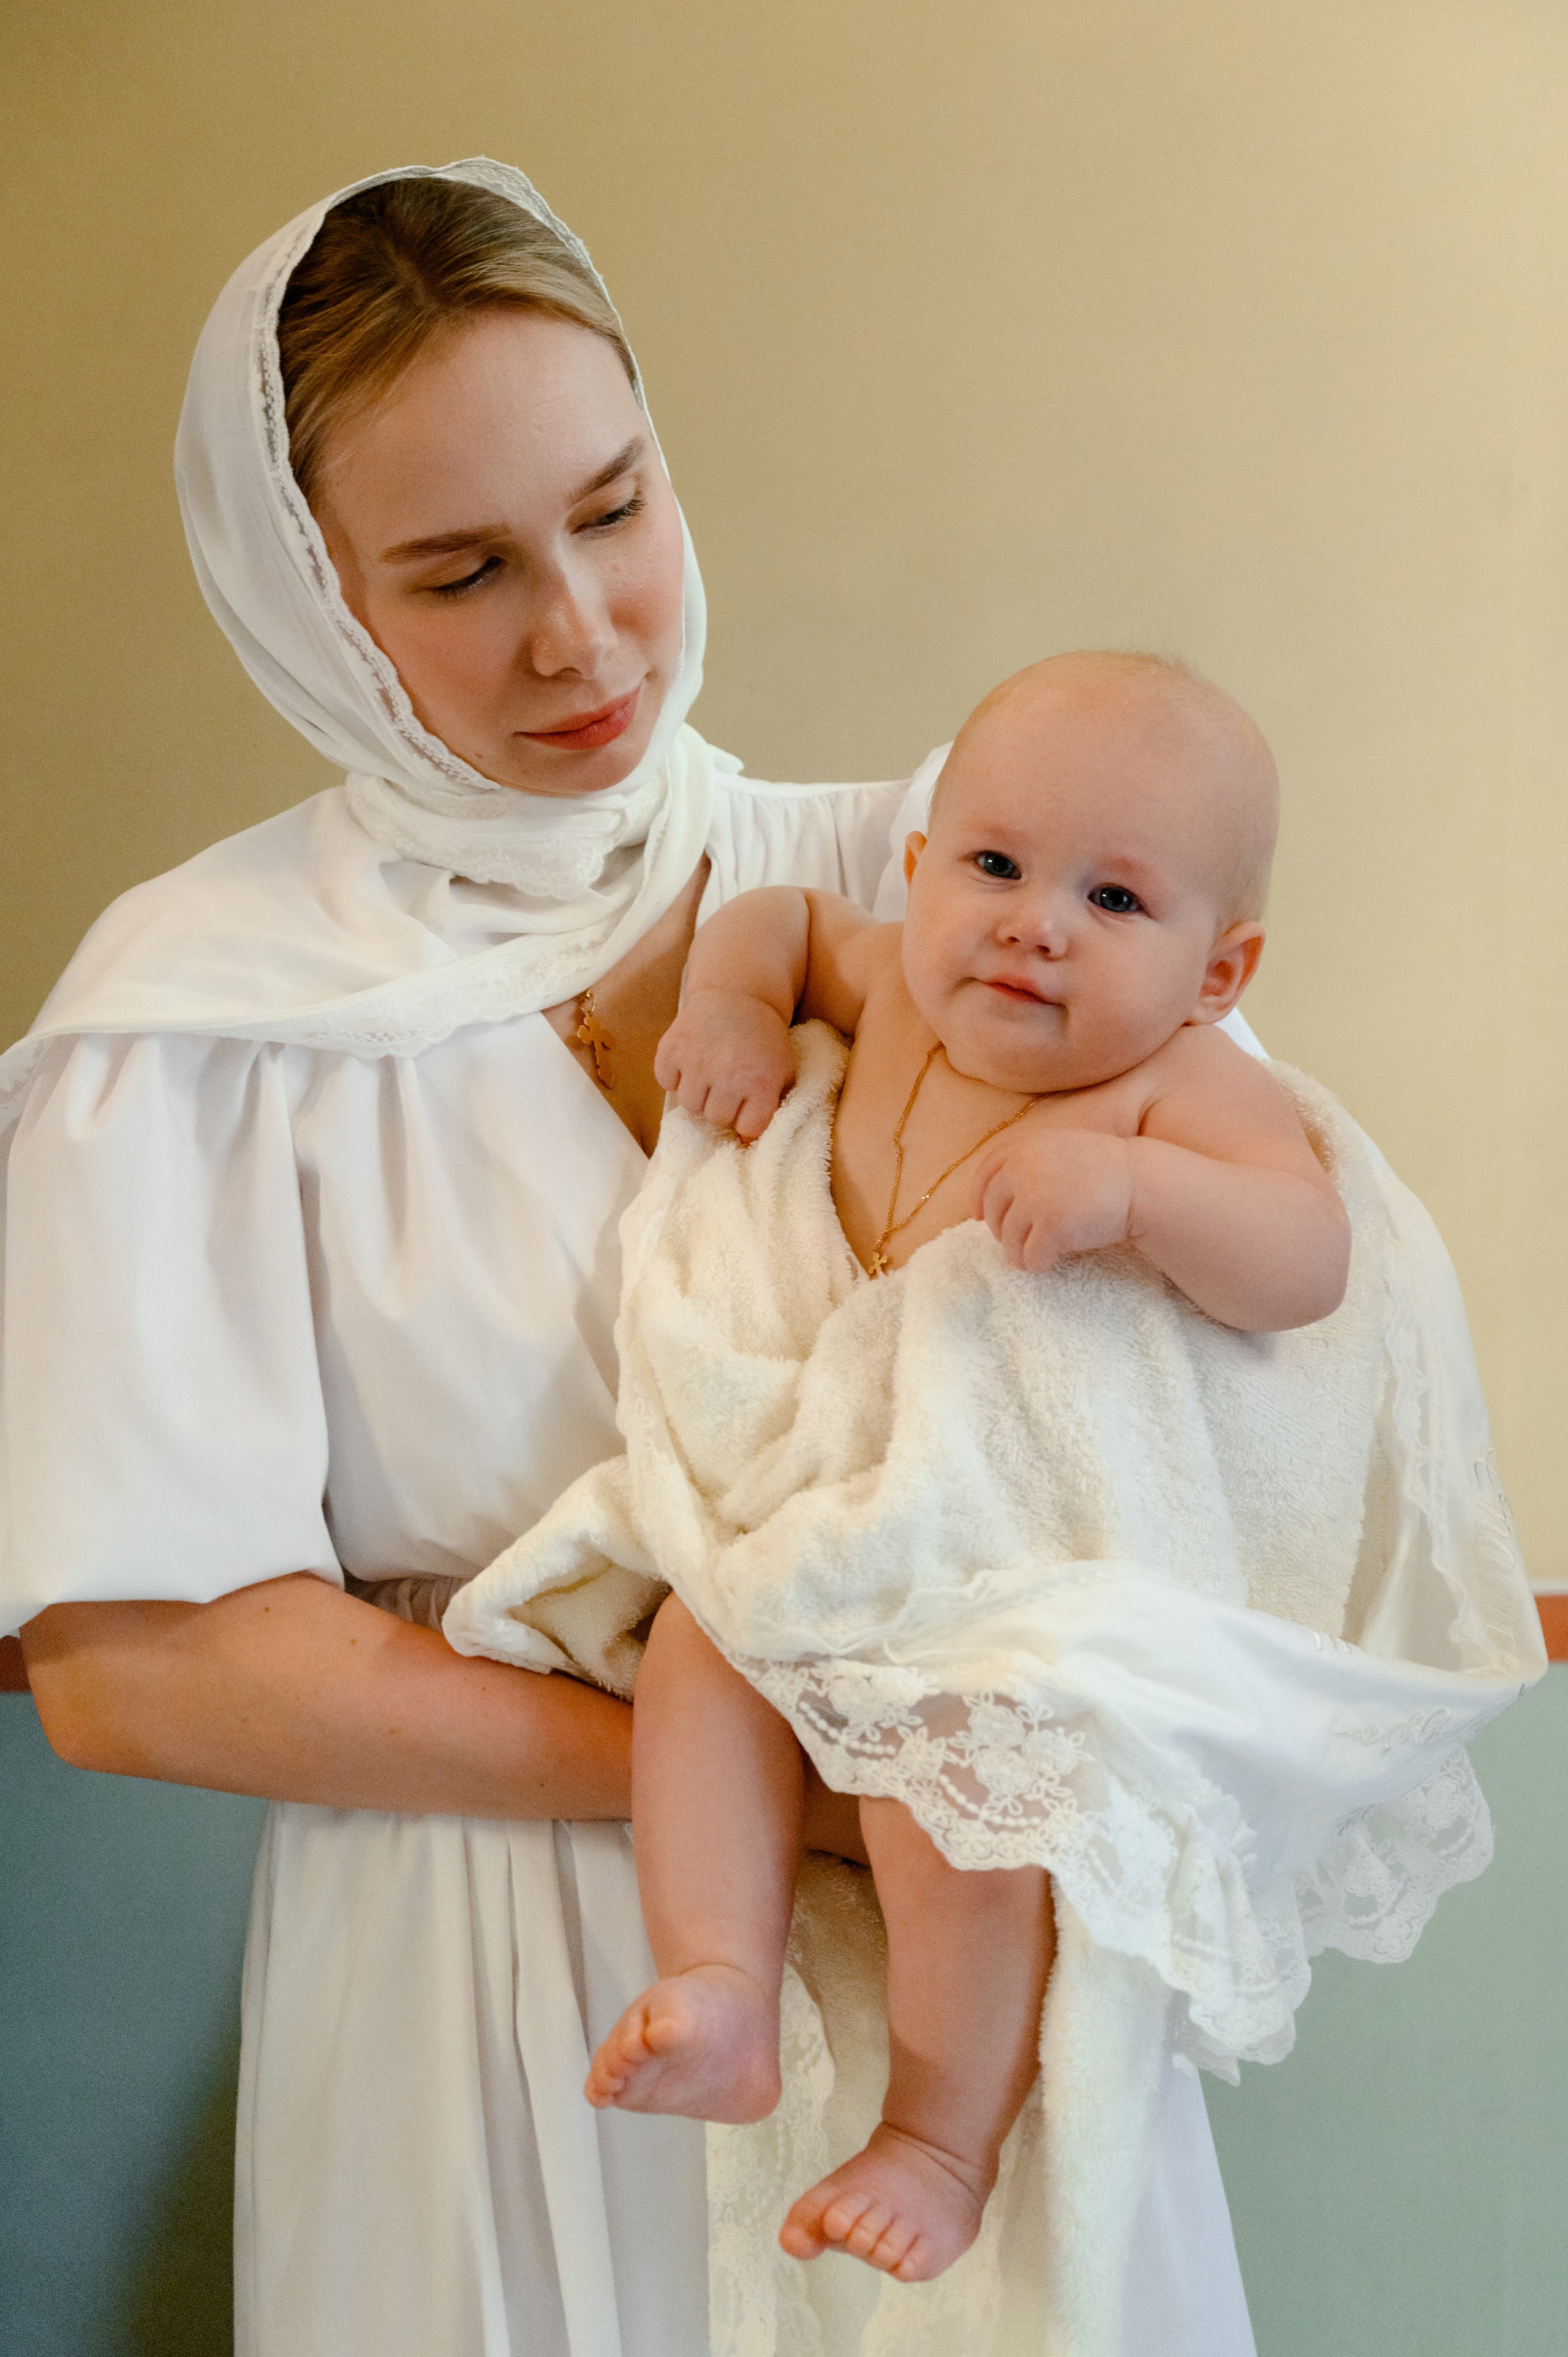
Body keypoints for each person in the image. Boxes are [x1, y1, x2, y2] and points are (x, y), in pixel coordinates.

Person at [0, 160, 1268, 2357]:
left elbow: (1226, 1372)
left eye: (615, 509)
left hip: (964, 1960)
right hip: (489, 1979)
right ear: (311, 605)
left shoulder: (957, 879)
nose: (582, 633)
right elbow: (139, 1671)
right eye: (462, 571)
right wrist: (795, 1797)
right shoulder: (202, 1015)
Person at [584, 649, 1351, 2285]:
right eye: (994, 865)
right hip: (833, 1499)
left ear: (1219, 971)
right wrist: (733, 1007)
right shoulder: (889, 981)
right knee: (699, 1652)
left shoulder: (1177, 1085)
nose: (1033, 925)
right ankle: (720, 1982)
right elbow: (775, 920)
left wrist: (1138, 1193)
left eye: (1113, 898)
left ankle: (940, 2133)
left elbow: (1307, 1258)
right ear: (923, 868)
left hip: (1001, 1557)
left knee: (955, 1786)